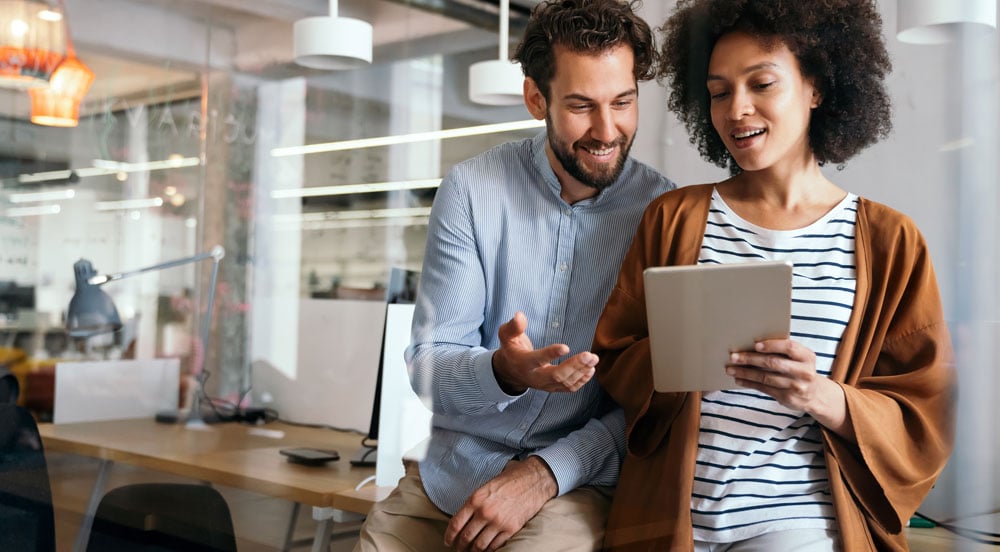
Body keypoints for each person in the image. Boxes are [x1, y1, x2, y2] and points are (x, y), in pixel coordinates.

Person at [592, 0, 956, 550]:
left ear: (817, 87)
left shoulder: (889, 241)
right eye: (718, 92)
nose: (737, 109)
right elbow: (617, 356)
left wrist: (820, 395)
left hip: (798, 520)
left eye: (761, 83)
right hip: (671, 517)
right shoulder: (674, 217)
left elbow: (924, 408)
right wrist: (681, 349)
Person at [355, 1, 674, 550]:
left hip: (573, 483)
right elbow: (427, 367)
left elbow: (655, 403)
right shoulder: (473, 192)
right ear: (536, 99)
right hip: (450, 476)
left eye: (622, 102)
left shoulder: (663, 211)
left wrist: (544, 474)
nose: (607, 129)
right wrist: (504, 371)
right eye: (580, 106)